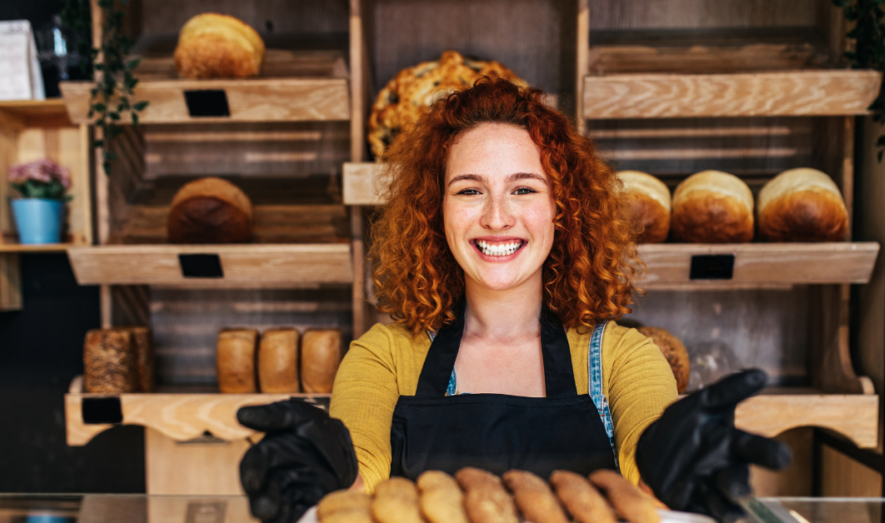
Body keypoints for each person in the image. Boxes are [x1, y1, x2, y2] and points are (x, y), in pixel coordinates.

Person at [236, 79, 791, 523]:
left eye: (524, 188)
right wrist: (323, 467)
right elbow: (361, 477)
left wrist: (670, 469)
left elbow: (646, 477)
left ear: (562, 209)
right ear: (436, 211)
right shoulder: (385, 354)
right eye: (469, 190)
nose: (497, 216)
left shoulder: (622, 358)